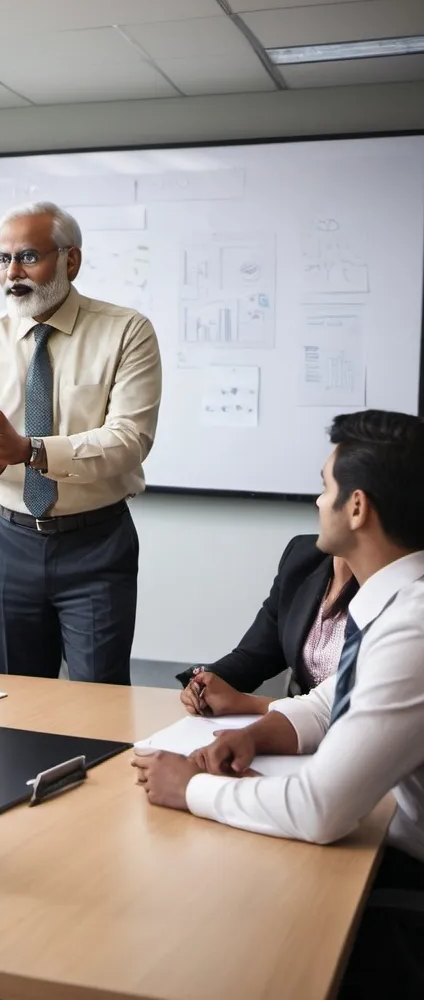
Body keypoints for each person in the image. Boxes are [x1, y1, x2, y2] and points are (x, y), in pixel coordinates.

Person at [133, 410, 424, 998]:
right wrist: (256, 733)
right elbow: (330, 700)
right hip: (388, 831)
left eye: (325, 487)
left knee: (206, 912)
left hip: (406, 868)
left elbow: (321, 810)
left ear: (359, 508)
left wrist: (187, 789)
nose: (318, 502)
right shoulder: (400, 602)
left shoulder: (415, 626)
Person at [0, 201, 161, 684]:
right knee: (16, 698)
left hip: (96, 545)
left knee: (98, 702)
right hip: (9, 541)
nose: (12, 273)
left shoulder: (126, 331)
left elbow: (129, 439)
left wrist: (29, 451)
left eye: (28, 257)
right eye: (3, 259)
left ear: (71, 260)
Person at [177, 535, 358, 717]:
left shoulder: (384, 588)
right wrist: (206, 680)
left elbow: (359, 706)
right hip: (292, 732)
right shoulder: (303, 556)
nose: (318, 504)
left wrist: (250, 704)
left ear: (358, 508)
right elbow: (255, 655)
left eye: (324, 502)